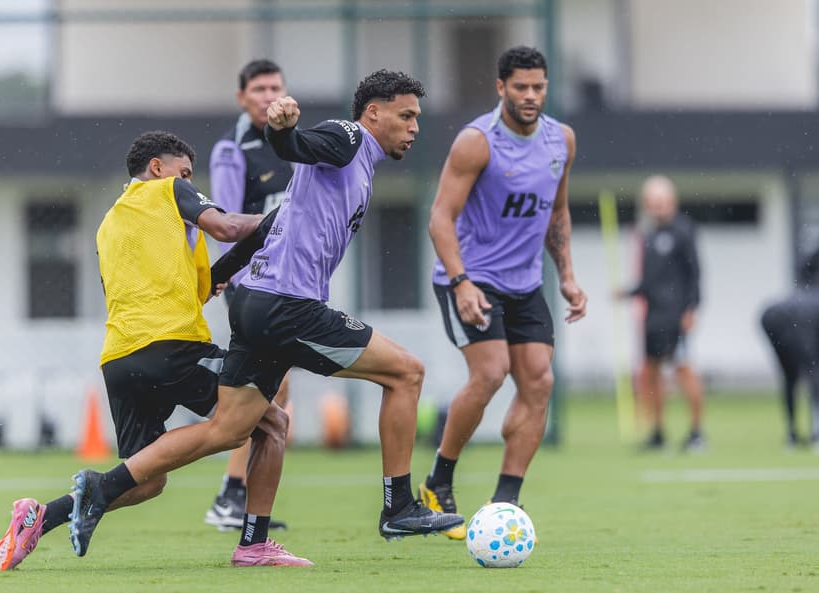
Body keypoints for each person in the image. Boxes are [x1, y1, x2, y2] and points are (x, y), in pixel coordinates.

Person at [67, 70, 465, 564]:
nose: (415, 127)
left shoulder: (349, 169)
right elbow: (295, 145)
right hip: (287, 307)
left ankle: (239, 539)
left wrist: (218, 275)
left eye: (417, 118)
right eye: (406, 116)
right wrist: (283, 130)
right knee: (407, 372)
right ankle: (399, 505)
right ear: (374, 113)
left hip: (258, 302)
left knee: (249, 427)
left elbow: (271, 229)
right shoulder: (349, 137)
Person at [0, 131, 290, 571]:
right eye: (186, 172)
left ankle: (41, 517)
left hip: (120, 360)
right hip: (171, 345)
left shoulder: (110, 223)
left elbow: (202, 285)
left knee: (148, 480)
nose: (191, 183)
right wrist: (285, 220)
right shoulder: (169, 190)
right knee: (270, 422)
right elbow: (227, 226)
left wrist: (252, 246)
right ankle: (253, 544)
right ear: (158, 168)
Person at [421, 46, 587, 540]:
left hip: (526, 283)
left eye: (539, 87)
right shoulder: (477, 142)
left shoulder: (562, 140)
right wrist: (461, 282)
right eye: (521, 87)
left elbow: (557, 213)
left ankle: (504, 503)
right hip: (470, 276)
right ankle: (438, 482)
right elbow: (440, 219)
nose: (531, 96)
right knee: (491, 373)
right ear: (501, 88)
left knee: (539, 383)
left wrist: (569, 277)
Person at [204, 59, 295, 532]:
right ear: (242, 97)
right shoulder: (232, 150)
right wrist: (237, 279)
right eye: (258, 88)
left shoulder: (294, 144)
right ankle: (231, 495)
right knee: (263, 391)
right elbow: (224, 221)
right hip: (251, 284)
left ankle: (233, 495)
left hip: (291, 284)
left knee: (276, 390)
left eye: (275, 86)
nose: (268, 94)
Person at [619, 175, 704, 451]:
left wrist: (692, 308)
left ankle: (696, 433)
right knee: (651, 373)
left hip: (676, 315)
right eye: (652, 203)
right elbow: (649, 280)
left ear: (672, 202)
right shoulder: (648, 235)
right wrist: (629, 292)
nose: (658, 207)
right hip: (652, 316)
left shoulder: (683, 230)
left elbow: (695, 274)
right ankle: (658, 433)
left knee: (683, 370)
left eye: (662, 202)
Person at [760, 251, 819, 449]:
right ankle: (814, 432)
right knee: (813, 372)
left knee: (790, 375)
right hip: (798, 316)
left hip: (774, 315)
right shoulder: (811, 299)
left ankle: (792, 434)